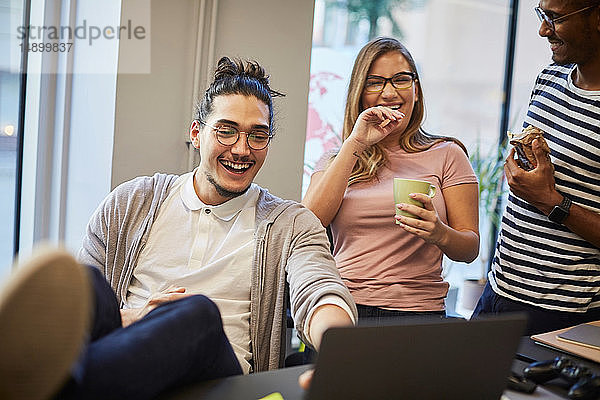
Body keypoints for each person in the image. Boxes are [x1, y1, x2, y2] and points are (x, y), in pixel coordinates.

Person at [2, 57, 357, 400]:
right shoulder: (133, 200)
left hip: (221, 379)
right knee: (87, 286)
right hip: (126, 363)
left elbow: (320, 289)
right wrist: (135, 317)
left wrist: (341, 356)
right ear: (197, 133)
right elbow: (98, 320)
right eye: (227, 130)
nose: (241, 149)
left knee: (198, 314)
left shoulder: (290, 223)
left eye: (257, 136)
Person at [302, 37, 480, 321]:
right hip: (345, 309)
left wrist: (440, 233)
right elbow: (308, 225)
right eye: (375, 82)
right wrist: (355, 143)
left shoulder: (448, 154)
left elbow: (470, 248)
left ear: (416, 90)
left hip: (418, 313)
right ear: (360, 94)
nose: (389, 92)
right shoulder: (338, 159)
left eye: (400, 79)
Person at [472, 0, 600, 335]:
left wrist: (551, 202)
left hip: (565, 315)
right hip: (498, 293)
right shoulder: (549, 78)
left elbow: (547, 196)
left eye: (556, 18)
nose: (543, 30)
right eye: (542, 15)